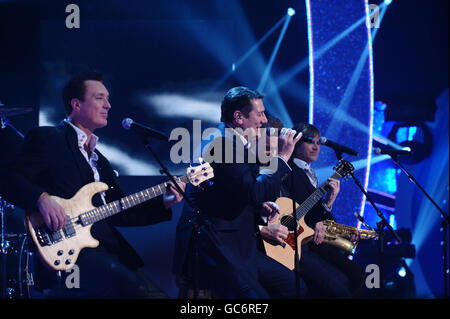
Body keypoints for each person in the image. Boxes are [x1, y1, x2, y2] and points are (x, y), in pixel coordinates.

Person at [0, 72, 185, 298]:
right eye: (99, 98)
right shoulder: (49, 138)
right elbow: (8, 178)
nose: (108, 105)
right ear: (76, 104)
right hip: (69, 252)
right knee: (136, 289)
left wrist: (163, 204)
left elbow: (119, 212)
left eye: (107, 99)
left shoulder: (100, 160)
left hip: (105, 248)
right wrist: (41, 199)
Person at [172, 86, 307, 298]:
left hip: (240, 244)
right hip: (219, 247)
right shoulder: (221, 144)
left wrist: (259, 208)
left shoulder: (234, 143)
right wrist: (281, 158)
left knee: (293, 286)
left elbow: (237, 191)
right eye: (260, 113)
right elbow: (254, 190)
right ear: (238, 117)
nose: (264, 120)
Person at [260, 122, 365, 298]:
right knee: (341, 286)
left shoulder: (310, 174)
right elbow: (299, 210)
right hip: (292, 242)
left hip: (304, 238)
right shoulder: (287, 169)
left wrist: (329, 201)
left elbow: (311, 212)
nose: (316, 147)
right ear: (296, 143)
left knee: (354, 277)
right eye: (311, 142)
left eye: (318, 142)